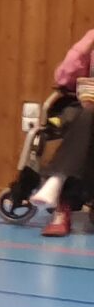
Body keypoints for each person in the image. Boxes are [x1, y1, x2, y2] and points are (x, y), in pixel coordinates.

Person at [29, 24, 94, 237]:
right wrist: (82, 51)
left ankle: (57, 182)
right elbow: (62, 79)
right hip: (83, 107)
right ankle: (63, 204)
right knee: (88, 117)